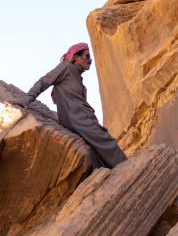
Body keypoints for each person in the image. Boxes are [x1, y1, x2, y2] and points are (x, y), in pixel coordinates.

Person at [9, 42, 127, 171]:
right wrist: (26, 100)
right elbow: (44, 81)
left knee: (96, 152)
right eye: (87, 56)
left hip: (85, 118)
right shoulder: (66, 67)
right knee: (106, 141)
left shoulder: (80, 80)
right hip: (77, 119)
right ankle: (129, 169)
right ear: (76, 57)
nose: (90, 60)